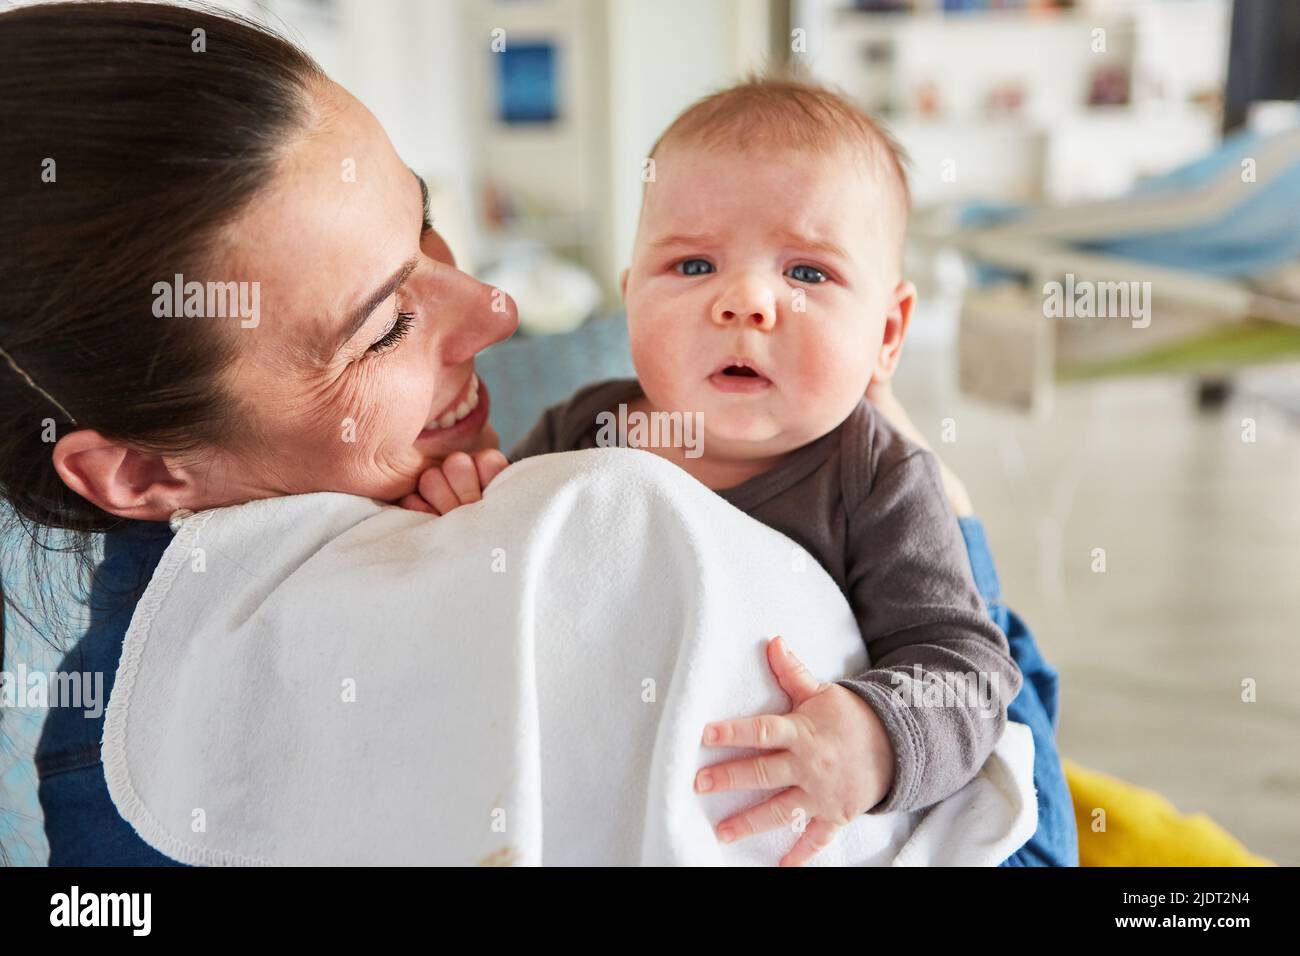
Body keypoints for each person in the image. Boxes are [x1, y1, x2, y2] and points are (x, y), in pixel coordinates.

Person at [0, 1, 1076, 865]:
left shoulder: (859, 472)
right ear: (139, 469)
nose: (494, 311)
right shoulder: (138, 776)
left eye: (426, 224)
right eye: (385, 326)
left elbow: (961, 680)